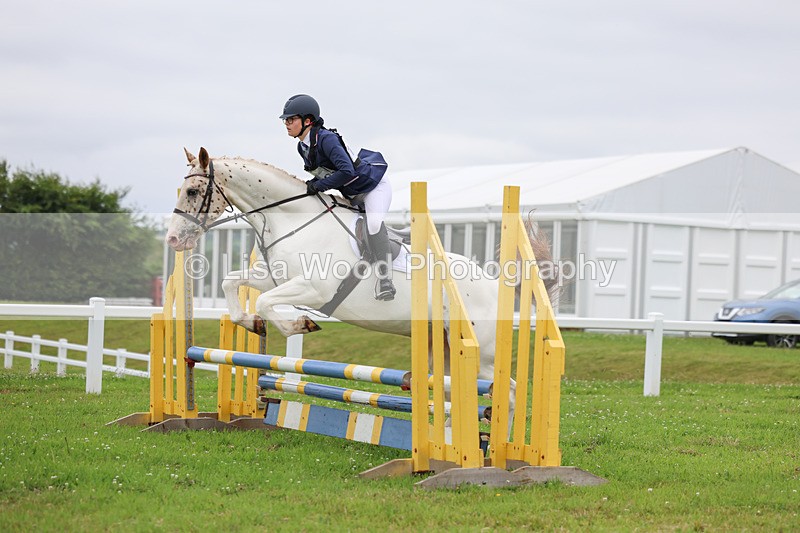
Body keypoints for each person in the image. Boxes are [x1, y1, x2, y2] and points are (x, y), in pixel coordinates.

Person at [280, 94, 396, 301]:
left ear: (307, 121)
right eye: (285, 120)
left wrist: (319, 186)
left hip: (373, 187)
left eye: (291, 119)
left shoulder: (327, 139)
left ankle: (386, 279)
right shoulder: (302, 146)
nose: (287, 124)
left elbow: (347, 172)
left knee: (374, 224)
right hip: (351, 194)